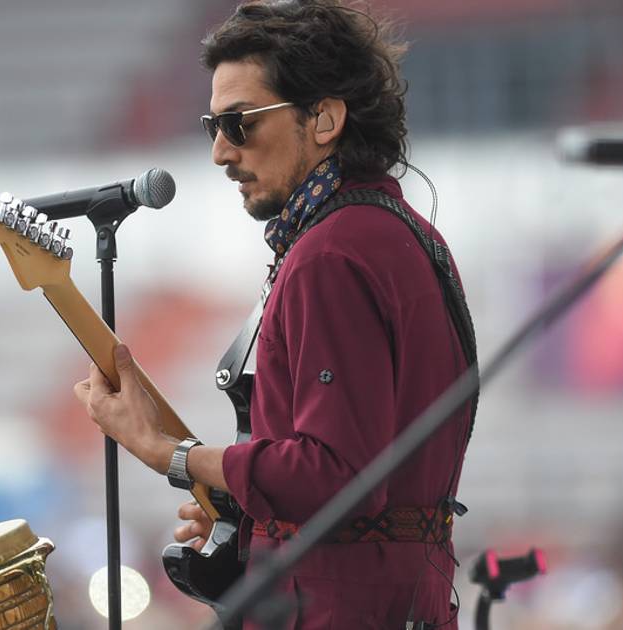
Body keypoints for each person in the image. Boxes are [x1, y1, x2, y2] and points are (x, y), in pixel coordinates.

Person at [74, 1, 475, 627]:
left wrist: (168, 453)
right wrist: (258, 515)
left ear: (325, 118)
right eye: (212, 125)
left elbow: (335, 474)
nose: (219, 152)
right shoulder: (397, 232)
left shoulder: (332, 253)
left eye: (239, 123)